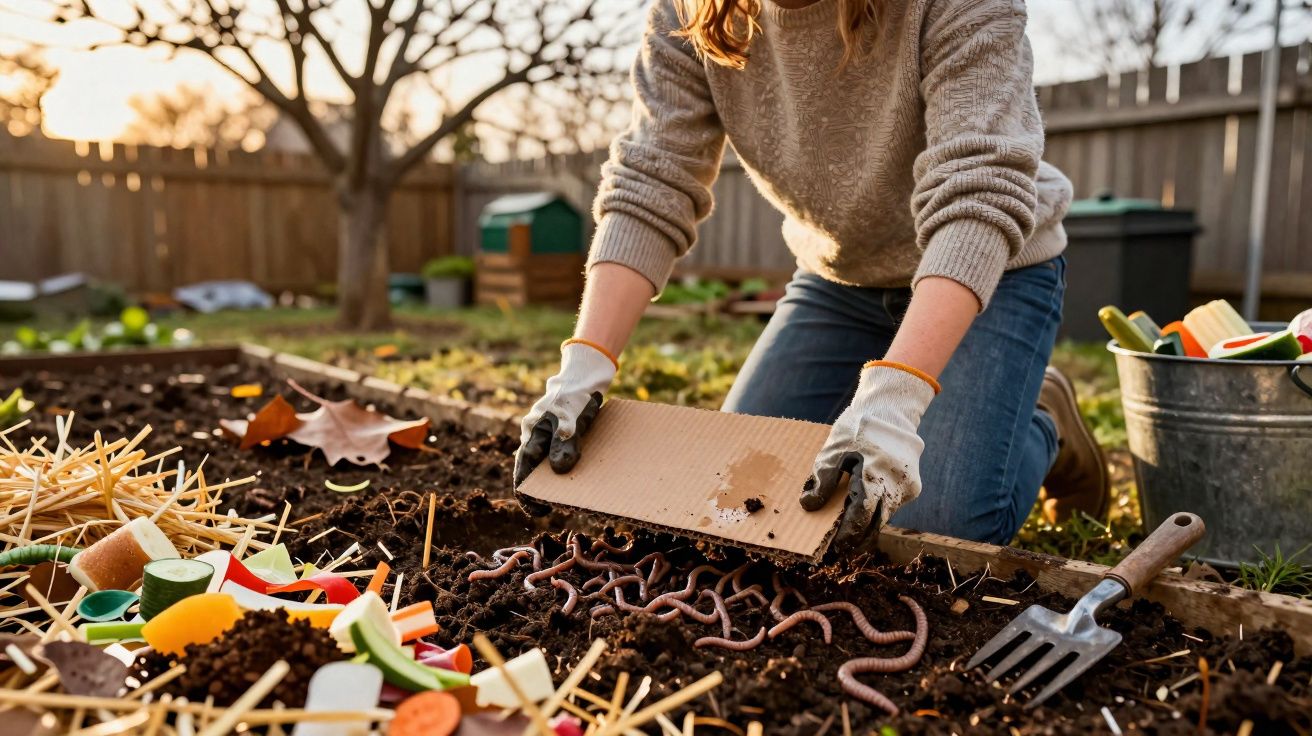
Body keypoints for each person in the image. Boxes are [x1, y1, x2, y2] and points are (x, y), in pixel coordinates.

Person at [513, 0, 1109, 552]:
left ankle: (1041, 421)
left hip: (991, 271)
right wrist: (584, 367)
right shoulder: (688, 11)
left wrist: (897, 398)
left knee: (930, 526)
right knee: (741, 496)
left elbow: (978, 193)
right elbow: (654, 180)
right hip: (839, 283)